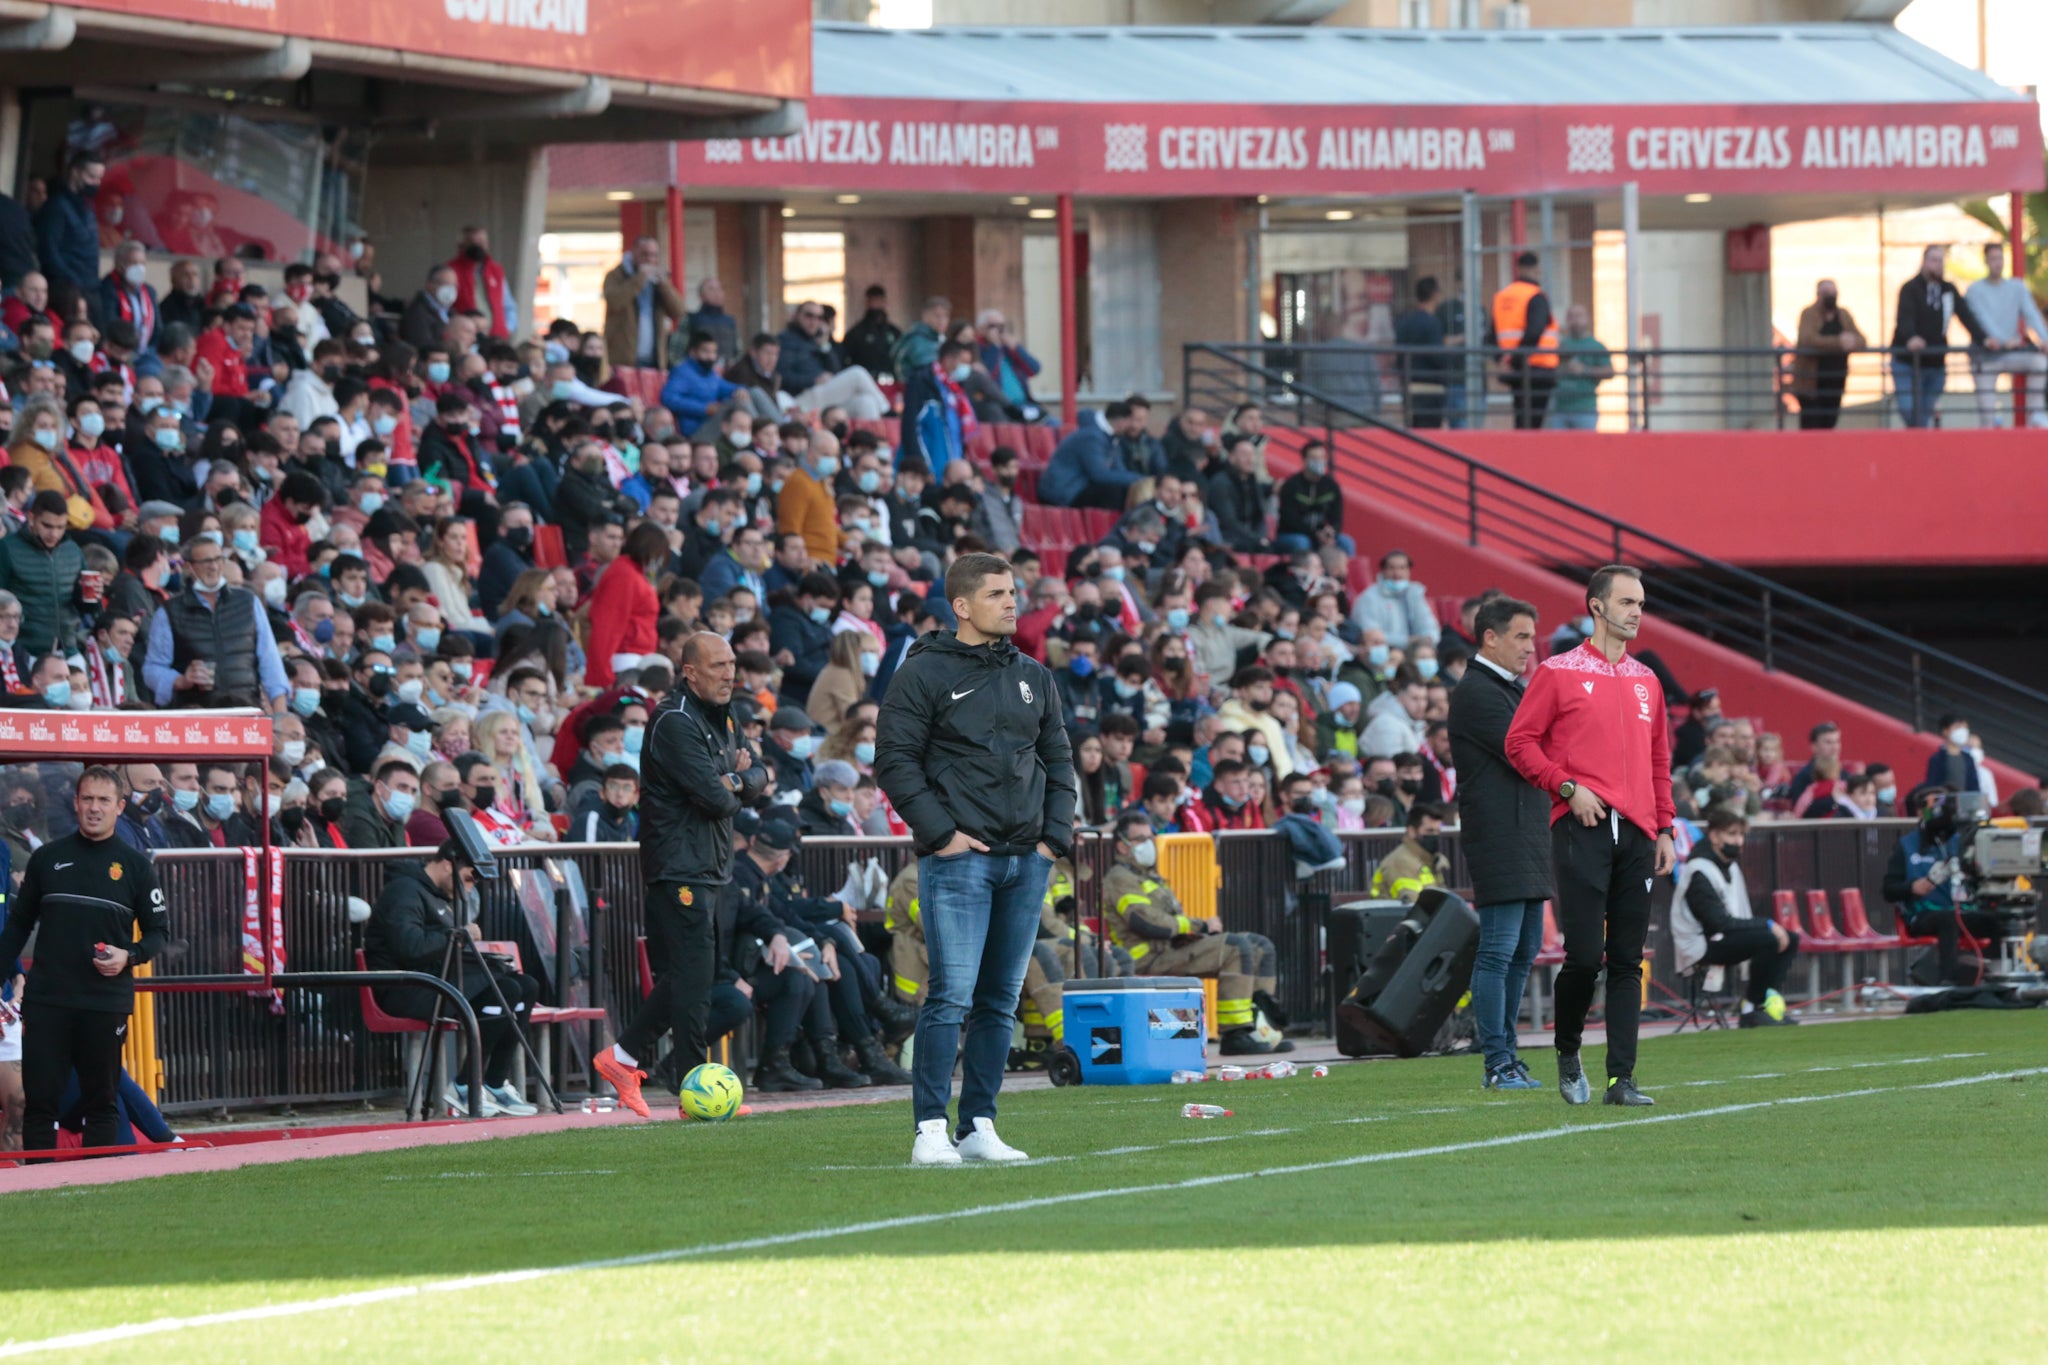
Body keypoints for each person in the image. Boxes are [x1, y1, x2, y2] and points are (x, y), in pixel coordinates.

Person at [874, 553, 1075, 1165]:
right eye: (996, 594)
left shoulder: (1035, 675)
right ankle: (930, 1130)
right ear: (961, 606)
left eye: (1013, 592)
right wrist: (942, 835)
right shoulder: (923, 673)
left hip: (1026, 861)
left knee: (999, 1001)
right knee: (952, 996)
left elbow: (1060, 760)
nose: (1012, 602)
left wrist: (1052, 841)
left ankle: (979, 1124)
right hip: (960, 859)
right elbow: (893, 761)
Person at [1505, 564, 1674, 1108]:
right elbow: (1520, 743)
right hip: (1584, 827)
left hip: (1641, 835)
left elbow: (1659, 760)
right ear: (1597, 606)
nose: (1636, 612)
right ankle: (1567, 1048)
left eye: (1641, 604)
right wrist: (1567, 786)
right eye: (1627, 602)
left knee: (1627, 960)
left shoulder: (1649, 680)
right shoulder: (1557, 671)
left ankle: (1621, 1081)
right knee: (1584, 957)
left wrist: (1666, 826)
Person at [594, 632, 769, 1120]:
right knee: (693, 981)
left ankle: (622, 1057)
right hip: (679, 865)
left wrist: (733, 777)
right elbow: (715, 799)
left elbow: (758, 776)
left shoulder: (726, 715)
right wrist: (731, 780)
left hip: (708, 865)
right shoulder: (673, 720)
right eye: (718, 665)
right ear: (689, 671)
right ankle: (694, 1093)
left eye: (732, 664)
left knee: (690, 976)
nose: (729, 673)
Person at [0, 767, 168, 1151]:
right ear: (75, 803)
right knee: (40, 1104)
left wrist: (130, 955)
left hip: (104, 1002)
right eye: (87, 799)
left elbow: (160, 934)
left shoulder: (136, 866)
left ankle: (101, 1186)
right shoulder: (47, 859)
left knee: (102, 1102)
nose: (94, 808)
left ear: (119, 807)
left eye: (104, 800)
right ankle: (38, 1188)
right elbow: (17, 926)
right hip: (48, 1002)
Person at [363, 814, 540, 1117]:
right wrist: (457, 934)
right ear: (448, 864)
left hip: (437, 980)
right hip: (405, 987)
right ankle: (465, 1084)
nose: (469, 889)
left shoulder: (443, 896)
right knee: (506, 990)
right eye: (469, 879)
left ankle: (494, 1083)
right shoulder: (404, 890)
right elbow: (411, 947)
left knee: (525, 986)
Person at [1447, 595, 1551, 1090]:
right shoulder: (1477, 693)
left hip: (1526, 833)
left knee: (1522, 949)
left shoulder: (1508, 689)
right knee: (1499, 951)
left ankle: (1507, 1055)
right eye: (1522, 637)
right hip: (1500, 837)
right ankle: (1496, 1061)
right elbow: (1525, 750)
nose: (1530, 648)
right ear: (1490, 636)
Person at [1100, 809, 1287, 1054]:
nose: (1150, 844)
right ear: (1122, 847)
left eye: (1152, 837)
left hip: (1170, 949)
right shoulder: (1119, 878)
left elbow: (1169, 920)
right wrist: (1200, 926)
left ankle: (1263, 1029)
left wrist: (1192, 931)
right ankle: (1235, 1033)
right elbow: (1147, 923)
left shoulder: (1149, 876)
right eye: (1141, 839)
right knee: (1235, 948)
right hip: (1146, 957)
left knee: (1259, 946)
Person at [1672, 809, 1799, 1026]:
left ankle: (1760, 1005)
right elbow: (1717, 923)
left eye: (1741, 835)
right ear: (1714, 836)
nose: (1738, 841)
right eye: (1732, 834)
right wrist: (1767, 924)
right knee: (1769, 938)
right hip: (1701, 943)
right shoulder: (1699, 871)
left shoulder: (1729, 866)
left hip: (1720, 936)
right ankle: (1750, 1011)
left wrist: (1766, 927)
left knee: (1790, 938)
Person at [1884, 791, 2001, 986]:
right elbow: (1889, 889)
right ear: (1921, 812)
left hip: (1959, 910)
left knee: (1996, 920)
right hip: (1922, 915)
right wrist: (1913, 887)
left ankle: (1995, 973)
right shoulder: (1906, 845)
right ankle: (1948, 979)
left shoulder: (1960, 841)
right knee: (1948, 921)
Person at [1890, 244, 1985, 430]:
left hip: (1935, 363)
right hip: (1907, 361)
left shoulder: (1948, 290)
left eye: (1940, 261)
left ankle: (1918, 443)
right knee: (1908, 407)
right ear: (1924, 262)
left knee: (1924, 411)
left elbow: (1965, 315)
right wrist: (1911, 338)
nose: (1938, 265)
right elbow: (1904, 318)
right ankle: (1918, 439)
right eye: (1934, 260)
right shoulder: (1910, 288)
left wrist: (1983, 338)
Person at [1965, 241, 2047, 428]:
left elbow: (2032, 314)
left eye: (2000, 258)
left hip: (2011, 352)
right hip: (1985, 356)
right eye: (1993, 259)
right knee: (1987, 417)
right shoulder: (1975, 290)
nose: (1998, 263)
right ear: (1986, 261)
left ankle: (2035, 414)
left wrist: (2045, 339)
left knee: (2040, 363)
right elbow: (1982, 319)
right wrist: (2002, 342)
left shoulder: (2017, 287)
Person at [0, 492, 85, 657]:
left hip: (69, 649)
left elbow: (86, 606)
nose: (54, 534)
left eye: (61, 527)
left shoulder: (73, 550)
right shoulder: (7, 548)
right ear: (31, 518)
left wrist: (92, 597)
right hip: (26, 651)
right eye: (47, 526)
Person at [1492, 250, 1558, 429]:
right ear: (1537, 269)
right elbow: (1534, 332)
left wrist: (1503, 361)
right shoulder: (1536, 296)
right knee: (1533, 425)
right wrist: (1515, 361)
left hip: (1515, 372)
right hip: (1538, 368)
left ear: (1518, 269)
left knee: (1521, 420)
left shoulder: (1501, 297)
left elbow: (1491, 337)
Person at [1038, 403, 1147, 510]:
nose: (1134, 426)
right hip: (1064, 491)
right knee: (1112, 493)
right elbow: (1099, 475)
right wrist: (1140, 479)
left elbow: (1119, 470)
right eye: (1132, 421)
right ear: (1122, 421)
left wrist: (1138, 482)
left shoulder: (1113, 438)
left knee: (1126, 490)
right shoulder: (1091, 437)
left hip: (1080, 486)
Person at [602, 235, 687, 370]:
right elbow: (615, 302)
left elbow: (678, 311)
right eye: (645, 254)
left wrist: (664, 285)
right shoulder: (615, 275)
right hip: (624, 359)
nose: (650, 259)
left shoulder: (658, 282)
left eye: (654, 255)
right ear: (633, 252)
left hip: (654, 359)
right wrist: (640, 278)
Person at [1791, 279, 1864, 430]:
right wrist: (1839, 342)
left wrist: (1852, 342)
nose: (1831, 296)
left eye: (1833, 293)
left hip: (1836, 380)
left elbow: (1861, 340)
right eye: (1826, 293)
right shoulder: (1809, 314)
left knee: (1830, 422)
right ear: (1818, 295)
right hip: (1811, 383)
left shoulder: (1843, 315)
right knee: (1811, 425)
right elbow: (1807, 339)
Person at [1393, 276, 1449, 427]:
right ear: (1434, 294)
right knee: (1430, 436)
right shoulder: (1432, 323)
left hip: (1409, 387)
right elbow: (1438, 357)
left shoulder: (1404, 322)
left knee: (1413, 435)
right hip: (1431, 390)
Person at [1548, 304, 1613, 431]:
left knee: (1586, 449)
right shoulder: (1561, 344)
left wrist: (1585, 370)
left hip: (1585, 408)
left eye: (1579, 316)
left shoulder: (1596, 346)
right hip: (1560, 408)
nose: (1575, 320)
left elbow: (1609, 371)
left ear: (1587, 319)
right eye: (1571, 317)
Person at [1371, 802, 1450, 902]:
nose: (1435, 836)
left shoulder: (1432, 860)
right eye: (1429, 831)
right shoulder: (1401, 862)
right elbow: (1413, 904)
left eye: (1438, 831)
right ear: (1412, 831)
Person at [841, 284, 901, 379]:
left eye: (879, 300)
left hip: (890, 381)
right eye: (873, 300)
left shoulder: (894, 332)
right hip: (864, 380)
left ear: (884, 302)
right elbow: (845, 358)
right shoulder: (856, 333)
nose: (876, 304)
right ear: (867, 302)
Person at [1923, 713, 1981, 795]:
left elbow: (1974, 787)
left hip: (1964, 804)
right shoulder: (1937, 759)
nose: (1962, 732)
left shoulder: (1968, 759)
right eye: (1957, 727)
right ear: (1945, 731)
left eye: (1964, 728)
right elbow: (1932, 787)